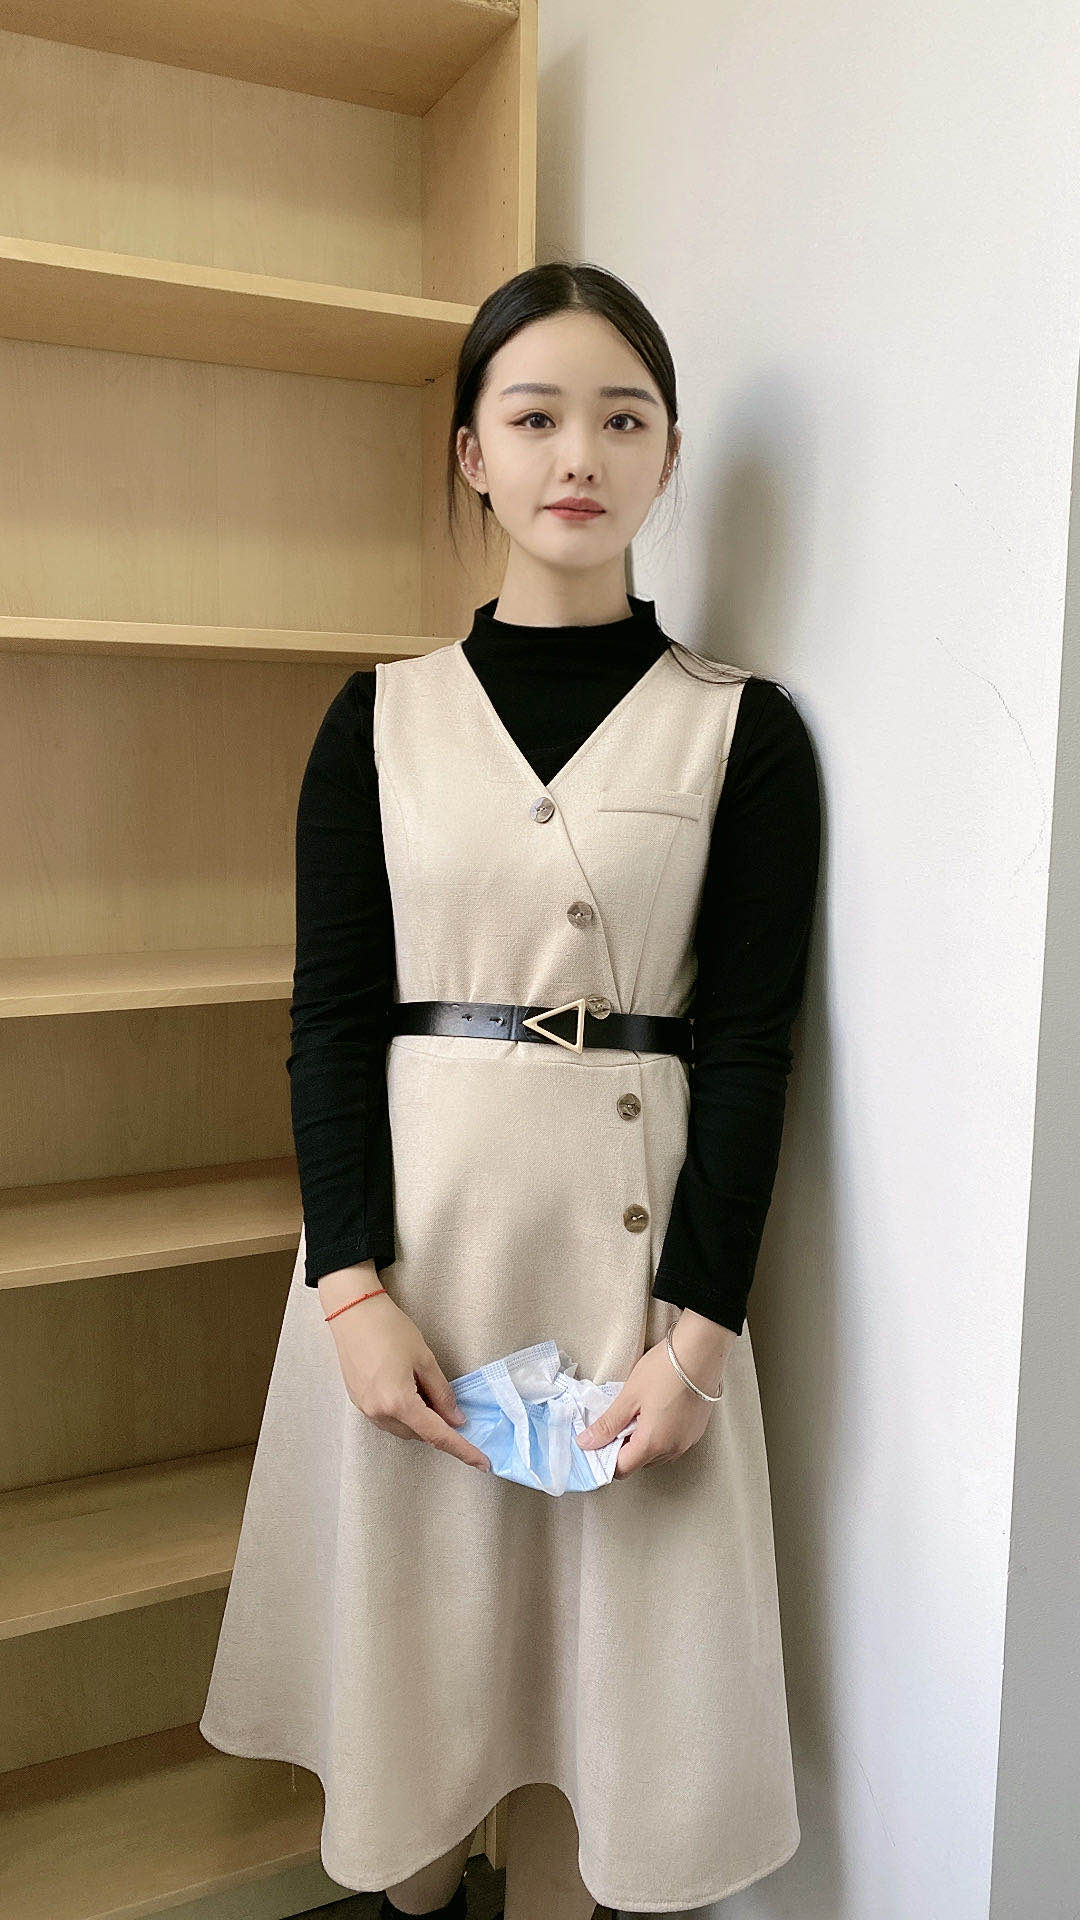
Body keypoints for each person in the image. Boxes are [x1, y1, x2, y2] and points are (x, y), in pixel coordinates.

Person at [199, 261, 821, 1920]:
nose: (580, 455)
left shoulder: (741, 733)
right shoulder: (378, 719)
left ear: (669, 452)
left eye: (624, 417)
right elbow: (330, 1023)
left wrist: (699, 1342)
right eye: (535, 416)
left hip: (631, 1281)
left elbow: (754, 1048)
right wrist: (350, 1296)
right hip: (418, 1257)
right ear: (473, 453)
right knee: (414, 1686)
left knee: (604, 1711)